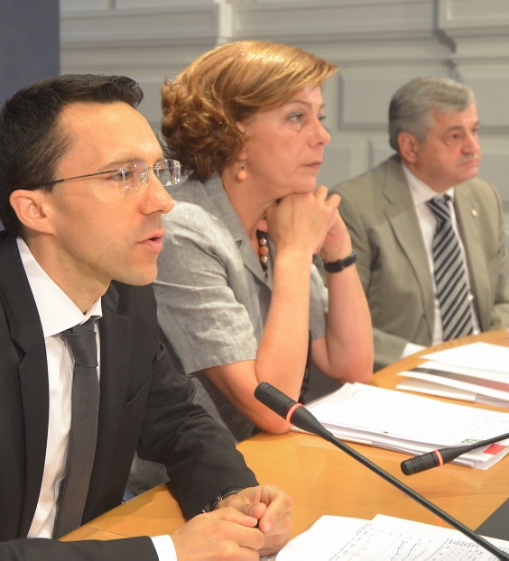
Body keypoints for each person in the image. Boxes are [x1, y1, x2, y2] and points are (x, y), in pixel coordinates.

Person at [0, 74, 294, 561]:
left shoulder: (123, 291)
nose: (163, 200)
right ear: (35, 209)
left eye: (158, 171)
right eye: (123, 175)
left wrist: (233, 496)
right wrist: (165, 553)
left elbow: (179, 421)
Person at [154, 41, 374, 443]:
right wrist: (295, 255)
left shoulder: (277, 217)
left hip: (263, 461)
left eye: (320, 117)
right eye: (297, 117)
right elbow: (273, 410)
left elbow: (352, 366)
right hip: (190, 476)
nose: (323, 136)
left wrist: (338, 251)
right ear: (234, 131)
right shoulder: (182, 230)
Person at [331, 76, 509, 371]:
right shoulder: (355, 206)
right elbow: (336, 321)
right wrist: (429, 361)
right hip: (401, 373)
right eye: (454, 137)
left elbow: (500, 302)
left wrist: (499, 355)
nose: (472, 147)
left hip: (483, 371)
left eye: (474, 131)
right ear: (409, 147)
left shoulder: (484, 198)